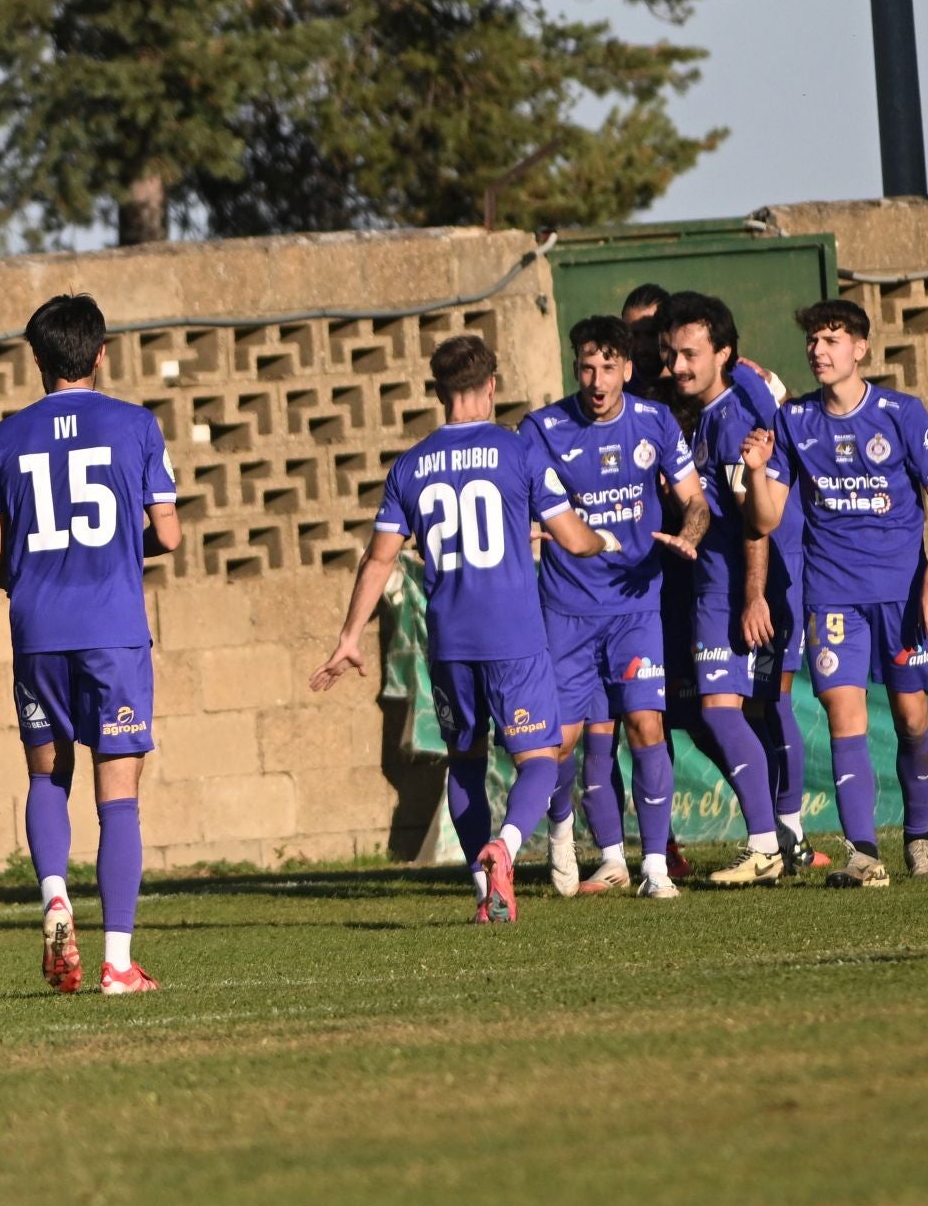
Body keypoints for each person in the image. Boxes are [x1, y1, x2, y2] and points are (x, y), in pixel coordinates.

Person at [309, 335, 607, 923]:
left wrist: (348, 636)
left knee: (465, 761)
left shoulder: (410, 465)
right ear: (491, 384)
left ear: (438, 391)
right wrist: (603, 538)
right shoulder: (517, 451)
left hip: (448, 641)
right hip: (513, 637)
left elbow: (379, 560)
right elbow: (574, 538)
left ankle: (484, 892)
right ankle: (509, 846)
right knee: (540, 758)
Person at [0, 293, 182, 995]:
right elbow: (171, 533)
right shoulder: (136, 425)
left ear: (36, 360)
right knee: (117, 795)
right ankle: (117, 961)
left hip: (38, 630)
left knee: (46, 777)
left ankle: (55, 898)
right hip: (113, 631)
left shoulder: (3, 438)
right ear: (101, 355)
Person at [743, 299, 928, 886]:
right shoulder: (794, 422)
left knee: (912, 719)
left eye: (832, 339)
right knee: (844, 711)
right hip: (832, 595)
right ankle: (863, 853)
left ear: (860, 348)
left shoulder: (902, 413)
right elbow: (764, 521)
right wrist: (758, 471)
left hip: (903, 594)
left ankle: (918, 839)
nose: (819, 350)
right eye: (813, 340)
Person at [522, 315, 708, 900]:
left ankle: (654, 866)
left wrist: (692, 533)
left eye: (608, 367)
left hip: (635, 607)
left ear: (627, 368)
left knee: (645, 723)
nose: (597, 380)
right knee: (566, 743)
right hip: (567, 611)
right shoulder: (542, 428)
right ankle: (572, 837)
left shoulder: (654, 422)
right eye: (586, 367)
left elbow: (694, 499)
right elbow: (520, 501)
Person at [658, 291, 800, 884]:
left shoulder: (735, 418)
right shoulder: (714, 416)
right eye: (670, 356)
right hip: (713, 583)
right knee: (726, 714)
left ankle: (770, 842)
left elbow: (755, 519)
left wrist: (752, 595)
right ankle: (775, 840)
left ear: (722, 353)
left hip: (730, 588)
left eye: (689, 354)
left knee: (724, 713)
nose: (676, 368)